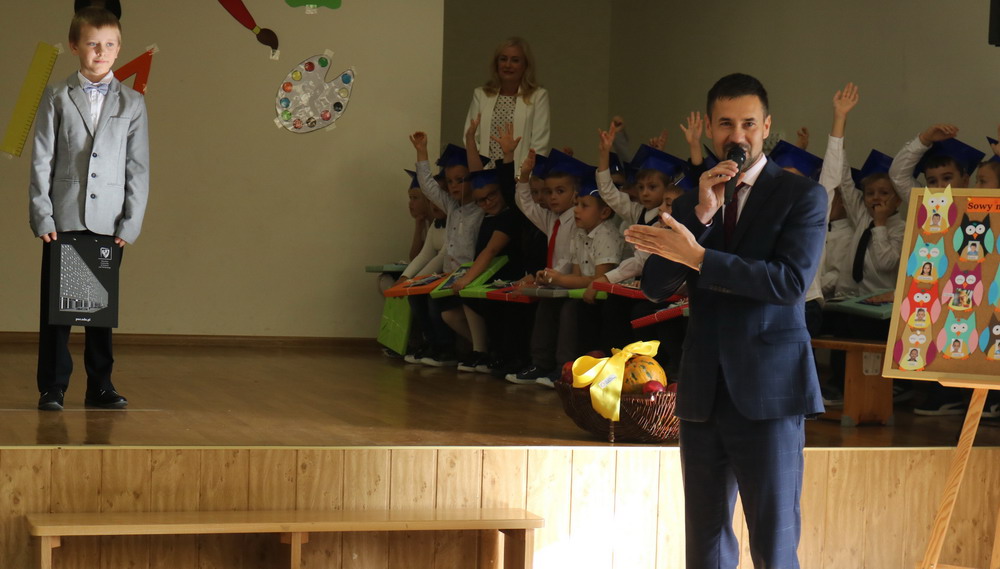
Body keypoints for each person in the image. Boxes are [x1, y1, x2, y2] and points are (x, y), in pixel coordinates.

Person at [626, 73, 825, 569]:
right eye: (725, 124)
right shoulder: (694, 201)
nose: (738, 136)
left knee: (774, 547)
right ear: (711, 130)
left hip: (769, 391)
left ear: (767, 127)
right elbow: (654, 287)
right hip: (704, 392)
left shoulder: (802, 196)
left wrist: (700, 258)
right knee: (706, 548)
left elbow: (788, 284)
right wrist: (701, 215)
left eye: (748, 124)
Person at [29, 7, 149, 411]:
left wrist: (131, 223)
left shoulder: (132, 102)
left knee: (101, 307)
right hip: (63, 217)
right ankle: (52, 386)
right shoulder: (57, 96)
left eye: (110, 45)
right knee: (57, 309)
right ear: (75, 46)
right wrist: (42, 214)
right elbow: (42, 159)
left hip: (109, 221)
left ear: (119, 48)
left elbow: (138, 166)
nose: (102, 52)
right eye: (93, 44)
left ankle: (100, 385)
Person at [464, 37, 549, 169]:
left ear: (525, 65)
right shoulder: (481, 94)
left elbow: (539, 144)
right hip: (485, 174)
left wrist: (524, 176)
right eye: (503, 59)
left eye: (515, 60)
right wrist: (481, 173)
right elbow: (470, 137)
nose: (508, 65)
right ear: (496, 63)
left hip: (520, 175)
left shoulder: (538, 96)